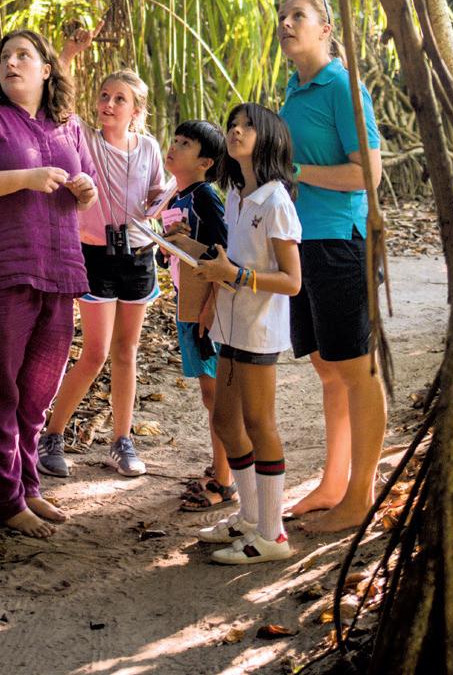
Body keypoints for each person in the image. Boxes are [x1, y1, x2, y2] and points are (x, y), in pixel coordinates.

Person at [0, 29, 98, 539]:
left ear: (46, 69)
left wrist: (85, 189)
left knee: (35, 395)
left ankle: (28, 486)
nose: (12, 63)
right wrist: (26, 178)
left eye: (23, 55)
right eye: (5, 56)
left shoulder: (68, 128)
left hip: (57, 272)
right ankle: (4, 500)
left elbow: (88, 195)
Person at [278, 0, 386, 534]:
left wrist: (295, 171)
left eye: (299, 15)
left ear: (326, 29)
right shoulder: (294, 91)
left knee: (356, 370)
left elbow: (368, 173)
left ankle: (360, 497)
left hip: (342, 240)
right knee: (327, 370)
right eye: (283, 16)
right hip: (305, 242)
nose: (287, 23)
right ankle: (333, 482)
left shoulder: (343, 87)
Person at [37, 68, 167, 478]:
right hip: (95, 255)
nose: (108, 105)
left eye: (119, 99)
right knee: (95, 353)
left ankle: (121, 440)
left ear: (137, 111)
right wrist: (70, 55)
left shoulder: (148, 148)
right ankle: (51, 436)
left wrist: (169, 208)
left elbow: (155, 197)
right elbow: (58, 103)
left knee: (126, 352)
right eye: (105, 96)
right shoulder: (84, 138)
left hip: (138, 256)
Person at [194, 104, 302, 563]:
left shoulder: (276, 201)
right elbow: (230, 259)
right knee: (224, 421)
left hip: (259, 328)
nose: (236, 132)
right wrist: (211, 289)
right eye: (232, 126)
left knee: (260, 425)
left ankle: (273, 536)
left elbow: (292, 280)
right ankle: (251, 518)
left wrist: (234, 277)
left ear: (270, 138)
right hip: (231, 323)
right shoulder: (237, 195)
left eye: (247, 127)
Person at [160, 121, 233, 511]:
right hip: (187, 301)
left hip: (205, 305)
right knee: (209, 393)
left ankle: (224, 480)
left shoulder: (205, 196)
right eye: (174, 139)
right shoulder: (177, 196)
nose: (173, 146)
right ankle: (221, 467)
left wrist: (210, 307)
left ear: (205, 161)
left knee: (215, 394)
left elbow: (223, 252)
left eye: (184, 143)